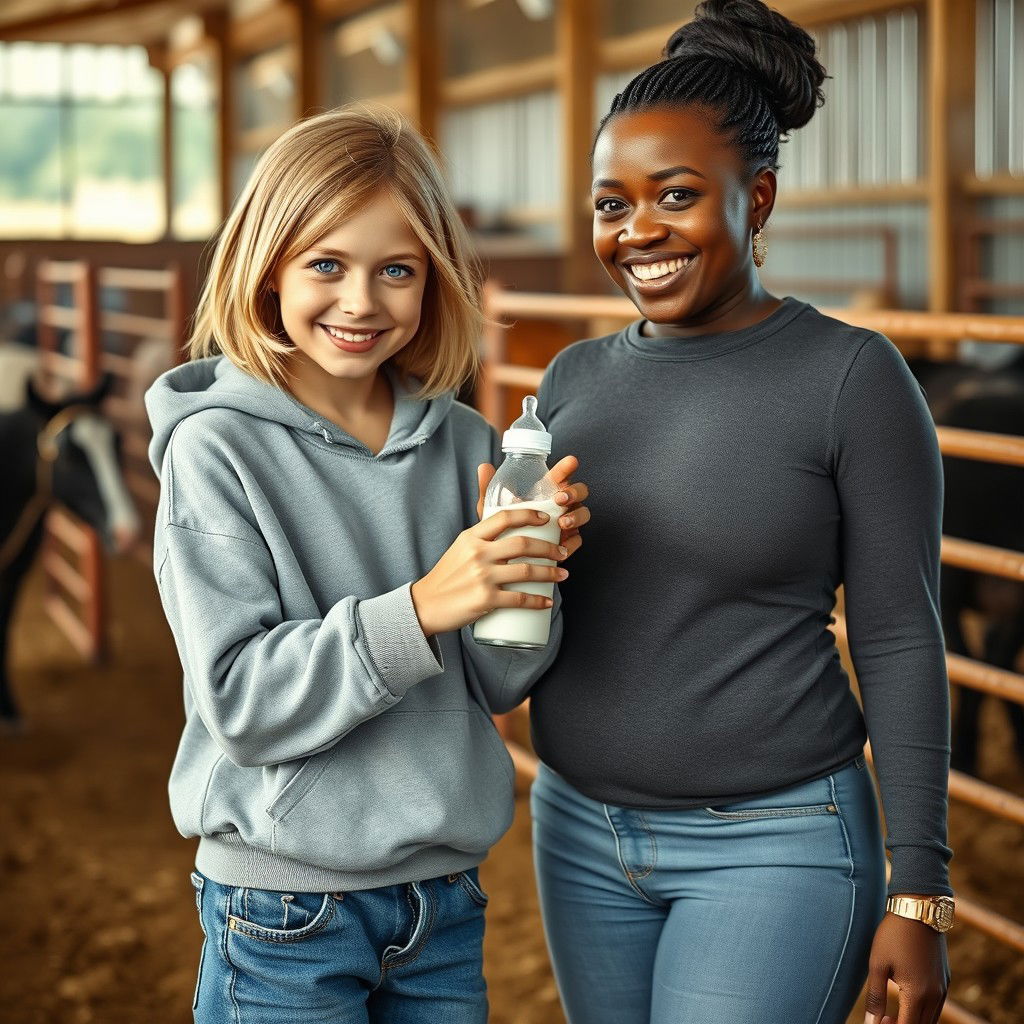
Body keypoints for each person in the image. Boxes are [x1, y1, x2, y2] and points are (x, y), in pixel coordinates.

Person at [529, 3, 952, 1023]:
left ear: (755, 198)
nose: (636, 233)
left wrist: (921, 889)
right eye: (610, 205)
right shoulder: (569, 379)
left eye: (675, 196)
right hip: (578, 831)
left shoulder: (850, 378)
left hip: (774, 841)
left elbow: (897, 633)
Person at [144, 104, 590, 1024]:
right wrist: (426, 604)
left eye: (397, 270)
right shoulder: (217, 451)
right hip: (284, 910)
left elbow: (499, 682)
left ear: (434, 282)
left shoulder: (466, 440)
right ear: (266, 266)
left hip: (444, 903)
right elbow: (241, 702)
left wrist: (529, 582)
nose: (360, 301)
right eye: (326, 265)